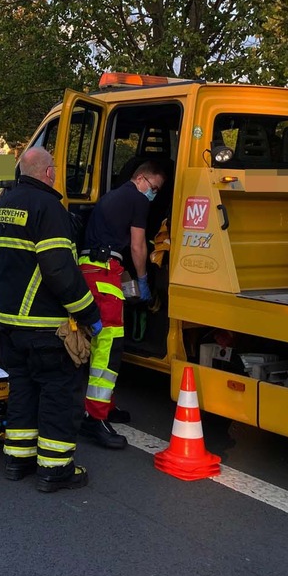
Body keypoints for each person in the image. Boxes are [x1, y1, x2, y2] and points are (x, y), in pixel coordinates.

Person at [0, 146, 102, 492]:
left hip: (11, 324)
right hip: (46, 326)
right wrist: (89, 314)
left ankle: (17, 459)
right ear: (48, 173)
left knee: (22, 389)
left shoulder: (3, 206)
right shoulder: (49, 208)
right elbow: (60, 270)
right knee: (58, 393)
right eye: (54, 170)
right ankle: (54, 469)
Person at [77, 159, 168, 449]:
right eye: (154, 188)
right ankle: (94, 419)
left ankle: (106, 406)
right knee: (108, 347)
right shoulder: (137, 200)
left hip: (91, 269)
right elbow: (138, 245)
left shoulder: (113, 197)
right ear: (141, 179)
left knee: (103, 345)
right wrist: (143, 280)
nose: (153, 194)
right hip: (104, 273)